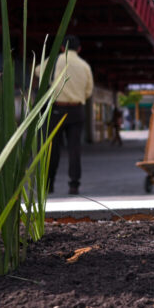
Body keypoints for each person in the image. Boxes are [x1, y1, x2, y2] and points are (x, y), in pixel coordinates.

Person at [40, 35, 93, 195]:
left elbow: (38, 72)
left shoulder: (55, 61)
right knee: (74, 149)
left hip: (57, 110)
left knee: (52, 149)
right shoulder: (85, 66)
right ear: (79, 49)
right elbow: (89, 91)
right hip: (76, 111)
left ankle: (49, 185)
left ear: (62, 48)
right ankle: (74, 185)